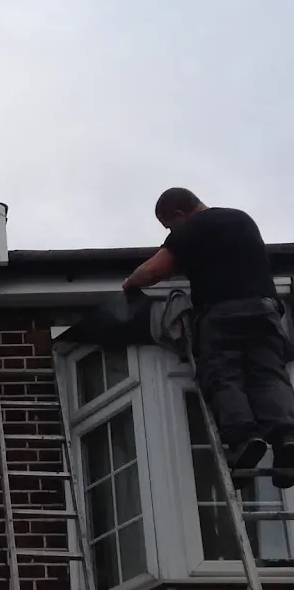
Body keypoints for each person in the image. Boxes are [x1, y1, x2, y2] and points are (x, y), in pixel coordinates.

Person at [123, 188, 294, 490]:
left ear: (179, 214)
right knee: (268, 374)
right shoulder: (242, 219)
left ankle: (243, 438)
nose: (171, 232)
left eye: (169, 226)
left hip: (222, 311)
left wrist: (129, 283)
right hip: (265, 310)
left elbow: (154, 270)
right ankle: (286, 439)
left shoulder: (192, 228)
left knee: (223, 374)